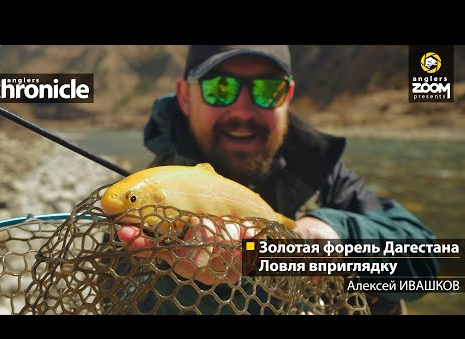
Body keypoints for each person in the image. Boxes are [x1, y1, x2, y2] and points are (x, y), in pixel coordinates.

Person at [120, 45, 439, 315]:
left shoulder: (322, 177)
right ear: (185, 97)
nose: (243, 111)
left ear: (287, 96)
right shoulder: (141, 207)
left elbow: (437, 264)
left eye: (267, 89)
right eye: (220, 88)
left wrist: (334, 235)